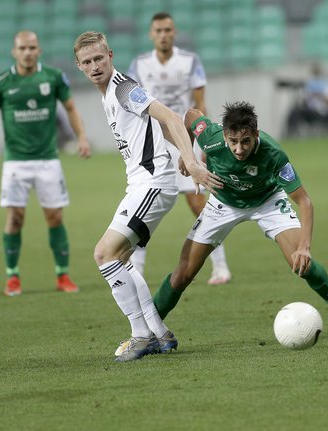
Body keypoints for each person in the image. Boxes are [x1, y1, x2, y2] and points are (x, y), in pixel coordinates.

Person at [152, 101, 328, 336]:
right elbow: (190, 115)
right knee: (183, 274)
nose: (239, 149)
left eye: (246, 141)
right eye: (233, 141)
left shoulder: (273, 153)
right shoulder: (211, 136)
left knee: (301, 265)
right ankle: (148, 331)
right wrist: (187, 154)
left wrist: (305, 247)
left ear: (256, 135)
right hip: (223, 202)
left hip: (267, 201)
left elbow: (305, 202)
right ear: (225, 135)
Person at [73, 31, 220, 362]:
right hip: (143, 185)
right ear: (79, 66)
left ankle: (141, 336)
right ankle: (160, 333)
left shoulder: (124, 88)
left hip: (152, 184)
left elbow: (170, 115)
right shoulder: (110, 93)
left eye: (99, 58)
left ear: (110, 55)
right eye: (87, 62)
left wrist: (192, 160)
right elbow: (160, 126)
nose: (95, 66)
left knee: (104, 254)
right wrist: (178, 150)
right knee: (119, 258)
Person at [0, 31, 91, 297]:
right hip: (16, 163)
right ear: (14, 51)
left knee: (55, 217)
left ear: (39, 51)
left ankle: (63, 274)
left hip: (47, 160)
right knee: (15, 219)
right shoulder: (1, 82)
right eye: (22, 48)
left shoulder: (52, 77)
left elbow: (72, 108)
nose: (27, 52)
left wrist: (82, 137)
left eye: (32, 48)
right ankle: (12, 277)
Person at [126, 12, 232, 285]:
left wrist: (201, 145)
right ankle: (136, 270)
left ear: (174, 32)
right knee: (143, 206)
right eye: (159, 30)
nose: (163, 34)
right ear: (152, 34)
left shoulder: (189, 61)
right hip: (153, 146)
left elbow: (200, 106)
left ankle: (220, 266)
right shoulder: (139, 65)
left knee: (200, 206)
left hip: (187, 142)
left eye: (168, 30)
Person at [286, 63, 328, 136]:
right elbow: (305, 98)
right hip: (310, 110)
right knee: (294, 112)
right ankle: (292, 133)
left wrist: (319, 96)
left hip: (322, 110)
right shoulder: (309, 83)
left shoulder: (327, 83)